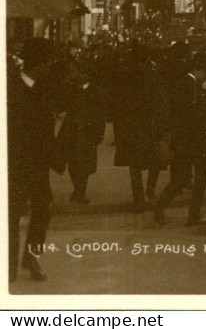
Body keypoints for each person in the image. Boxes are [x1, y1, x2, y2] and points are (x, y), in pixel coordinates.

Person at [8, 38, 58, 283]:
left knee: (42, 210)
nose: (51, 66)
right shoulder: (10, 88)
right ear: (40, 64)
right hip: (14, 163)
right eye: (49, 62)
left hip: (37, 163)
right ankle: (8, 266)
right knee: (11, 213)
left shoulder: (44, 87)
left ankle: (31, 256)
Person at [154, 51, 206, 227]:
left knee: (181, 177)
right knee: (201, 177)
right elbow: (193, 112)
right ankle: (193, 215)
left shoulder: (182, 82)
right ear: (198, 69)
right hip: (194, 139)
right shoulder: (191, 84)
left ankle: (161, 203)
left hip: (181, 138)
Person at [111, 42, 166, 210]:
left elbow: (117, 100)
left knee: (134, 165)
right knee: (155, 159)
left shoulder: (122, 73)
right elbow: (159, 100)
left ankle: (139, 199)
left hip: (129, 124)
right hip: (149, 123)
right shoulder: (152, 73)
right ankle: (150, 190)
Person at [55, 55, 106, 203]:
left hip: (87, 131)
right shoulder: (72, 87)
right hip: (72, 129)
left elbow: (100, 114)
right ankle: (78, 190)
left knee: (84, 164)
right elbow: (63, 104)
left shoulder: (96, 91)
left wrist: (99, 134)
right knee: (72, 162)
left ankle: (80, 191)